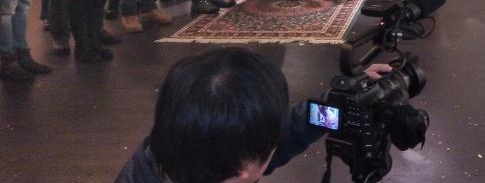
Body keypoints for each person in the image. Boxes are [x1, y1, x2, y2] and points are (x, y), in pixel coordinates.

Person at [115, 47, 391, 183]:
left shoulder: (181, 151)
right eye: (272, 144)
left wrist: (339, 101)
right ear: (243, 170)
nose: (279, 140)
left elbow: (288, 129)